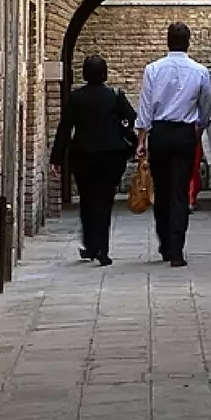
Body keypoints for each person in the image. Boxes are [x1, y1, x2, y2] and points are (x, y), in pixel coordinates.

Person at [134, 21, 211, 267]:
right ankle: (177, 248)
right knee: (180, 190)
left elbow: (145, 108)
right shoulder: (200, 71)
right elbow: (205, 110)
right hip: (184, 134)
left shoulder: (153, 70)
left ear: (168, 41)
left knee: (162, 189)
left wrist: (142, 139)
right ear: (188, 42)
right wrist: (197, 127)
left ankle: (165, 243)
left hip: (160, 132)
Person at [50, 53, 137, 267]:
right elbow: (132, 117)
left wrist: (57, 158)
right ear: (104, 74)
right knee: (104, 201)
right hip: (111, 156)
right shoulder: (115, 96)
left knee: (87, 200)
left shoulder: (76, 97)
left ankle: (90, 245)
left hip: (83, 155)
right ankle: (103, 250)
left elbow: (64, 128)